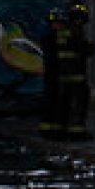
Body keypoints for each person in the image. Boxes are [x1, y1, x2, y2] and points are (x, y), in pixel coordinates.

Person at [57, 1, 95, 140]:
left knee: (65, 103)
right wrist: (89, 48)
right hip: (76, 74)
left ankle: (63, 130)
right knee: (79, 102)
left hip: (63, 73)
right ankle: (77, 132)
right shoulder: (75, 31)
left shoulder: (63, 30)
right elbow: (80, 48)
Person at [38, 10, 67, 139]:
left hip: (57, 73)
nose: (59, 26)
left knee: (57, 102)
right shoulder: (49, 37)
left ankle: (54, 129)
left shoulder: (55, 36)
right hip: (52, 73)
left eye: (60, 23)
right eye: (57, 23)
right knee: (52, 101)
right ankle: (49, 130)